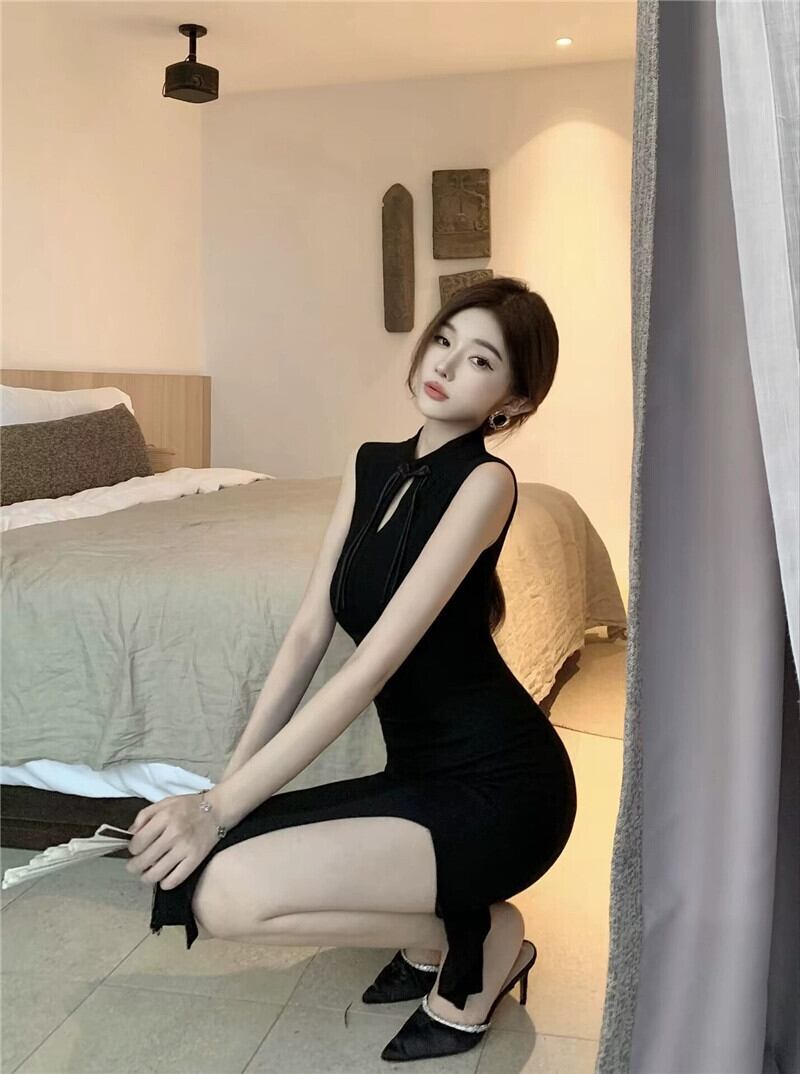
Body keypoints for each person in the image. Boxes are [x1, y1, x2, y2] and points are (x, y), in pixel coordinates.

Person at [126, 276, 577, 1062]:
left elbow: (370, 667)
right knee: (214, 872)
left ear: (512, 402)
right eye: (445, 341)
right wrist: (220, 795)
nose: (446, 365)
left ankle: (484, 935)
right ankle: (444, 932)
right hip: (419, 777)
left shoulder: (486, 483)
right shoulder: (370, 464)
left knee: (224, 891)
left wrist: (222, 807)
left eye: (480, 360)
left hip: (503, 791)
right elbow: (308, 634)